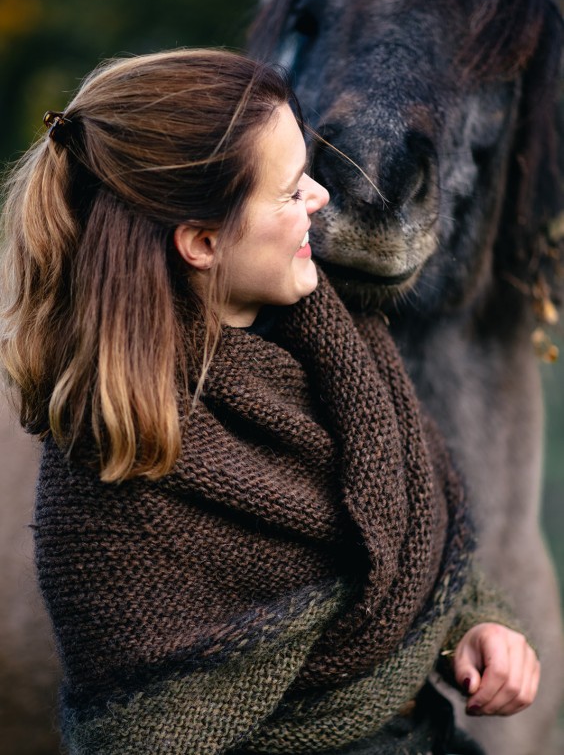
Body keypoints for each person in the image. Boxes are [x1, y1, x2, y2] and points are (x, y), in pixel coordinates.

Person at [0, 48, 539, 755]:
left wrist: (473, 624)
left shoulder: (349, 346)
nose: (321, 198)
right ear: (201, 241)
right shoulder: (116, 472)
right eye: (289, 192)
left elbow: (410, 541)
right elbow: (143, 730)